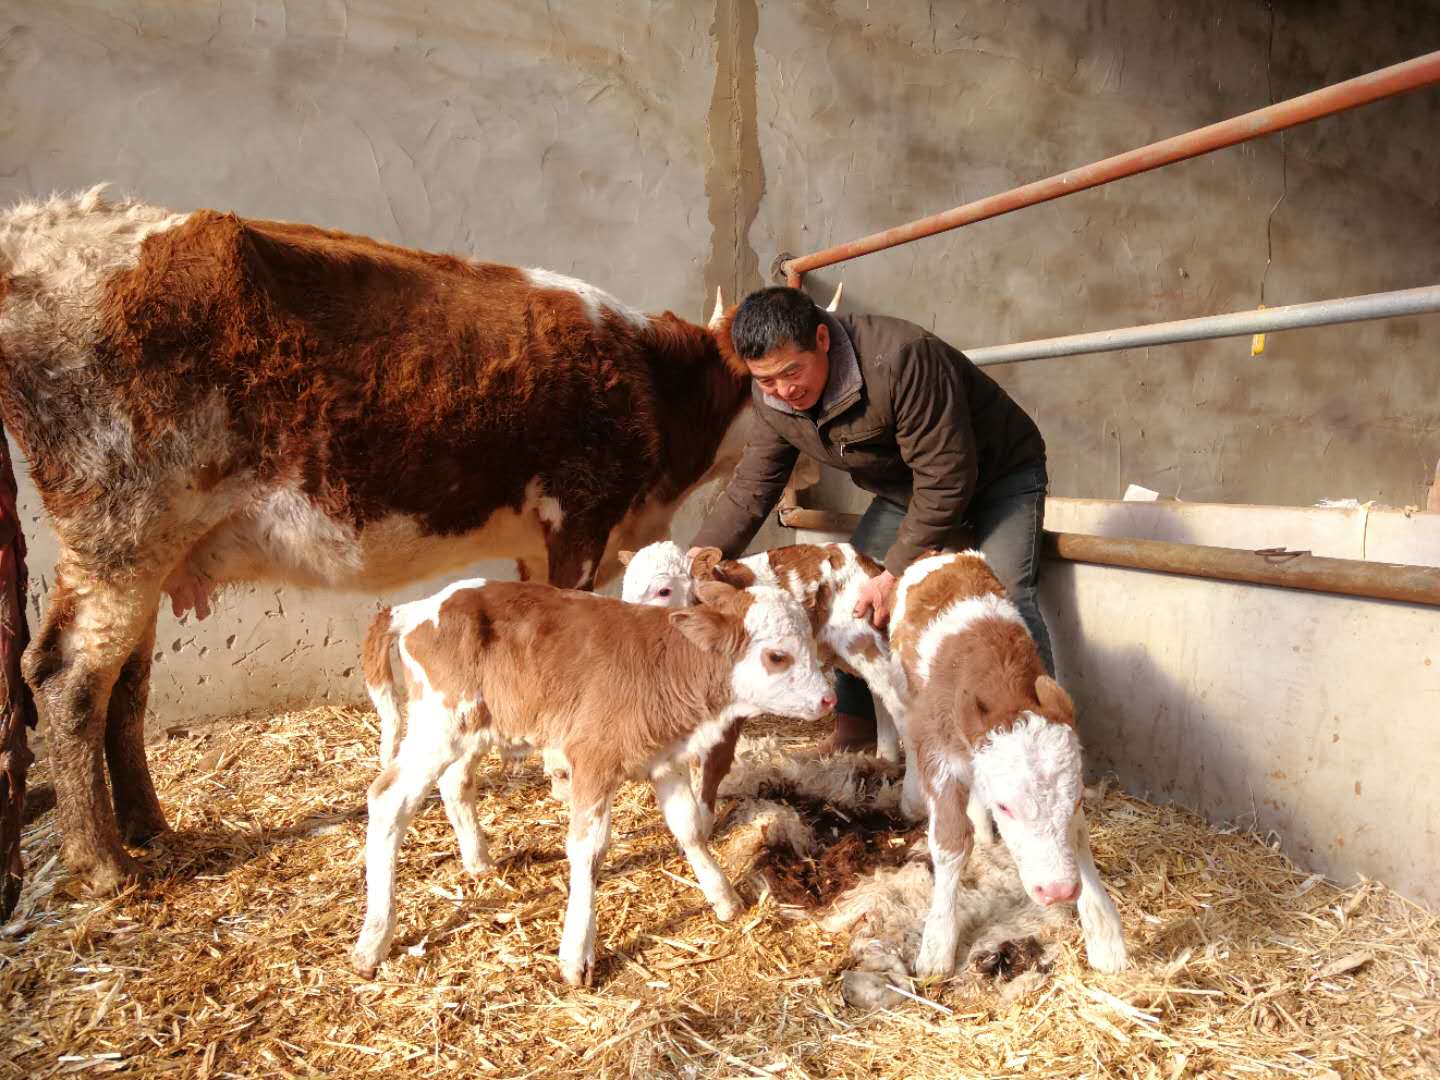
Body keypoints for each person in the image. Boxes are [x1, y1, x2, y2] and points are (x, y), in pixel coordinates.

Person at [689, 286, 1052, 754]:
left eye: (791, 372)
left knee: (1009, 595)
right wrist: (700, 556)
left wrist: (895, 571)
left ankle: (1036, 743)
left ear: (822, 338)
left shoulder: (902, 359)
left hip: (1000, 472)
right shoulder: (775, 401)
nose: (783, 390)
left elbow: (947, 475)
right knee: (854, 591)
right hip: (910, 487)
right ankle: (857, 732)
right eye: (766, 381)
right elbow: (753, 485)